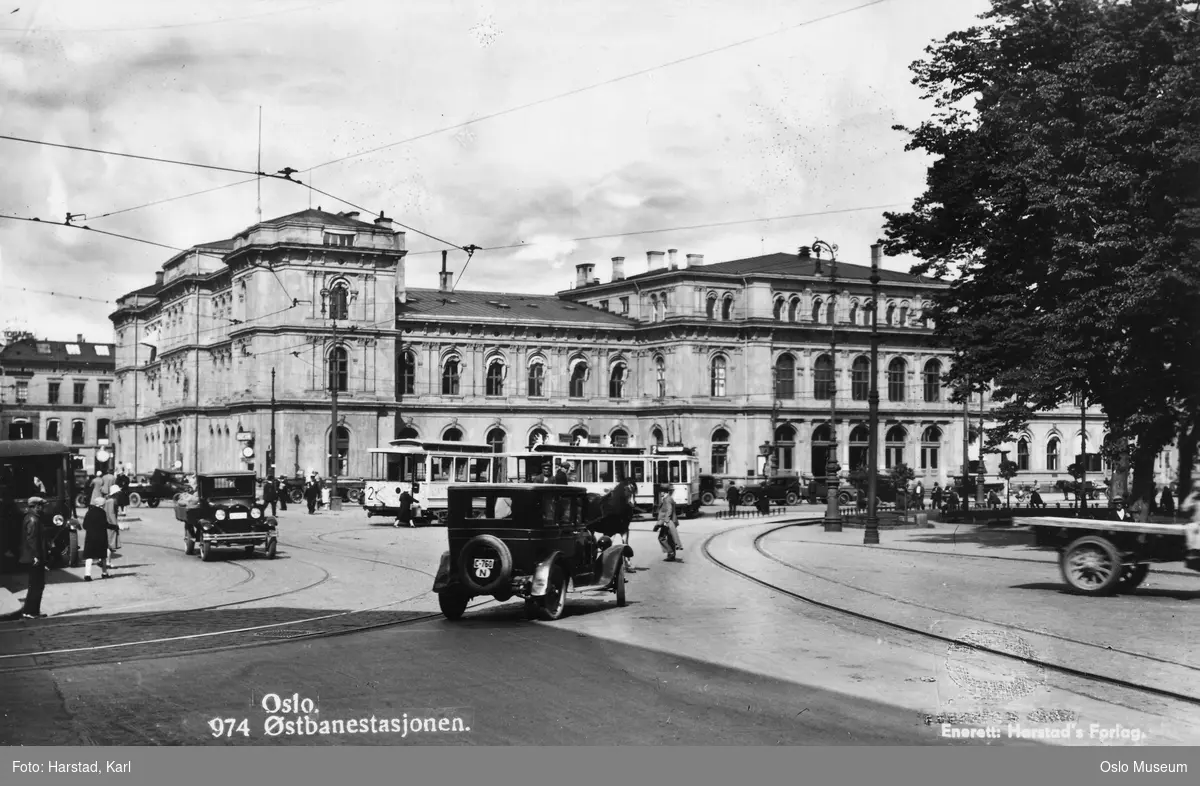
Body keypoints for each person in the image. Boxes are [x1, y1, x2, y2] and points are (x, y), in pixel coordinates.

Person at [14, 496, 48, 619]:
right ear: (35, 506)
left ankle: (34, 611)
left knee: (37, 584)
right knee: (36, 584)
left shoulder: (33, 518)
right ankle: (30, 611)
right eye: (41, 505)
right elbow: (32, 539)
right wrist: (36, 556)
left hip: (35, 556)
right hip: (34, 557)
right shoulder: (33, 519)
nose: (42, 508)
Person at [82, 493, 117, 581]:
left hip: (90, 537)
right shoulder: (102, 513)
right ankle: (104, 573)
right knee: (103, 556)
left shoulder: (89, 512)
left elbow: (84, 525)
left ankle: (87, 575)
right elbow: (105, 525)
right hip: (101, 537)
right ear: (102, 504)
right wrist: (114, 527)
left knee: (89, 556)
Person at [654, 484, 682, 562]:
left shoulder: (667, 499)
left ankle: (670, 552)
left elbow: (669, 510)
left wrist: (666, 521)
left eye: (660, 492)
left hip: (669, 522)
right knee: (670, 539)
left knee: (661, 537)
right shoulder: (668, 498)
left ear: (663, 492)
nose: (660, 494)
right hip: (671, 521)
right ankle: (671, 556)